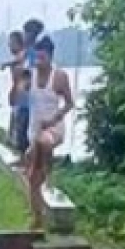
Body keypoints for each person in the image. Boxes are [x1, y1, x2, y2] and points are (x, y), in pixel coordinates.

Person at [24, 36, 75, 231]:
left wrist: (55, 118)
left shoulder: (59, 76)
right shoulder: (32, 75)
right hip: (35, 129)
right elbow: (18, 95)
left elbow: (70, 103)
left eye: (43, 59)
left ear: (50, 57)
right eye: (37, 58)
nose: (40, 63)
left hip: (53, 128)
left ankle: (48, 172)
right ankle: (37, 218)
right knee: (32, 177)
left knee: (44, 143)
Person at [11, 18, 44, 167]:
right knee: (21, 129)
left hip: (31, 99)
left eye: (27, 33)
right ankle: (24, 159)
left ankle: (29, 161)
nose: (25, 35)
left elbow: (34, 72)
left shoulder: (36, 53)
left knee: (27, 130)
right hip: (22, 98)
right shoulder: (26, 52)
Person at [0, 30, 29, 154]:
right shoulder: (19, 58)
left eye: (11, 43)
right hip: (18, 96)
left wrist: (6, 64)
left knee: (22, 130)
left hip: (25, 98)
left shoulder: (24, 55)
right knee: (15, 124)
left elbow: (21, 59)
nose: (9, 46)